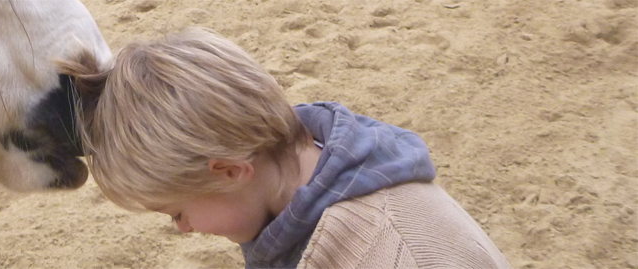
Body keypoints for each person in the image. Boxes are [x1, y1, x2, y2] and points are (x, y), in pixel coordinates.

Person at [60, 28, 511, 268]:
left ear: (230, 171)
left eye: (177, 212)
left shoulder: (391, 253)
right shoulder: (301, 190)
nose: (184, 229)